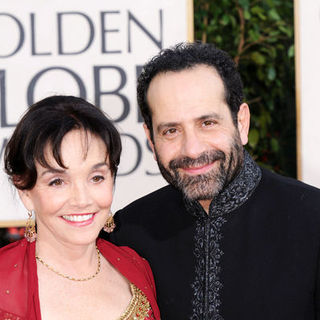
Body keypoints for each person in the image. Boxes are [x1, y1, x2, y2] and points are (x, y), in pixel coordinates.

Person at [109, 42, 320, 319]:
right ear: (151, 139)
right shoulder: (129, 232)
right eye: (171, 130)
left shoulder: (313, 219)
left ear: (241, 123)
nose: (192, 149)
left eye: (207, 123)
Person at [0, 96, 160, 320]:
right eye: (57, 181)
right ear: (25, 191)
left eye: (96, 177)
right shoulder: (3, 285)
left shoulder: (136, 266)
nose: (82, 199)